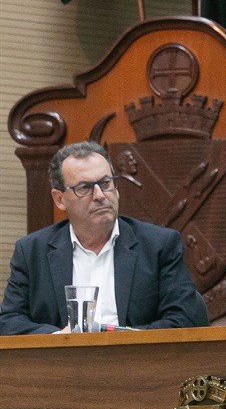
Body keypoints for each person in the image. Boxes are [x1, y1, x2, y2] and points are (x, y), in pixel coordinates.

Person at [0, 141, 208, 334]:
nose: (100, 195)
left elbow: (183, 320)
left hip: (138, 365)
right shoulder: (31, 251)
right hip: (61, 368)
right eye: (85, 188)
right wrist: (57, 338)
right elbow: (8, 321)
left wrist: (119, 342)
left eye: (106, 183)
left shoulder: (159, 245)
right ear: (60, 199)